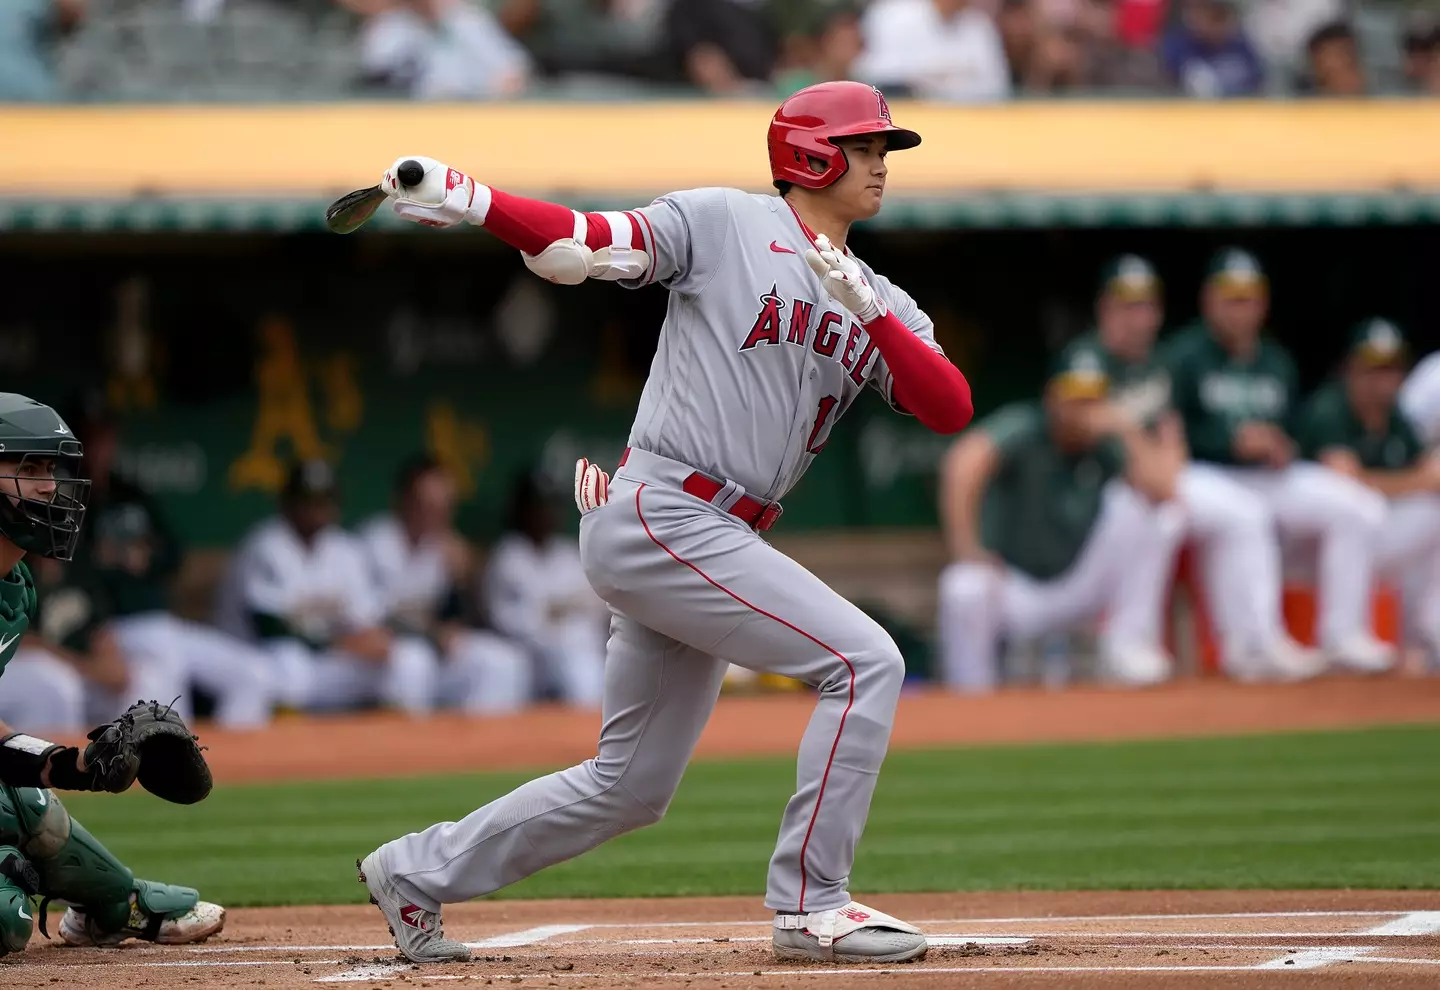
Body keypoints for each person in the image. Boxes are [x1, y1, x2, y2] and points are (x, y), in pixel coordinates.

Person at [356, 81, 974, 965]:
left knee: (629, 787)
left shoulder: (878, 295)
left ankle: (414, 872)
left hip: (720, 535)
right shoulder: (723, 222)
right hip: (668, 510)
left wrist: (868, 309)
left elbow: (947, 406)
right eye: (866, 146)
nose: (881, 164)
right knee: (865, 661)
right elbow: (586, 245)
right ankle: (811, 903)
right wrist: (477, 201)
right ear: (812, 155)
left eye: (884, 149)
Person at [0, 392, 224, 957]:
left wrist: (80, 765)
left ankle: (115, 902)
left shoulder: (16, 586)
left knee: (24, 803)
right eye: (27, 468)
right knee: (5, 917)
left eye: (51, 468)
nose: (50, 486)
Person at [1064, 255, 1321, 682]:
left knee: (1243, 513)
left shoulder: (1158, 364)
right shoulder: (1087, 359)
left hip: (1154, 481)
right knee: (1155, 514)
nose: (1139, 318)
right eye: (1128, 306)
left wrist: (1162, 467)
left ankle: (1252, 643)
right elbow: (1089, 427)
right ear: (1105, 309)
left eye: (1146, 306)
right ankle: (1127, 643)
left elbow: (1171, 434)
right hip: (1093, 493)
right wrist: (1145, 456)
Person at [1158, 248, 1393, 672]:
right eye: (1230, 297)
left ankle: (1343, 635)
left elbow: (1293, 430)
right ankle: (1255, 644)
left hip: (1264, 473)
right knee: (1247, 516)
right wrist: (1230, 442)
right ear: (1209, 300)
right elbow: (1170, 430)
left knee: (1358, 507)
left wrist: (1281, 445)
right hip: (1202, 472)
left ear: (1262, 302)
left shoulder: (1276, 360)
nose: (1240, 307)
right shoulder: (1184, 356)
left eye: (1248, 297)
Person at [935, 349, 1182, 690]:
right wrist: (967, 546)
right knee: (963, 585)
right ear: (1052, 397)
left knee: (1152, 514)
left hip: (1080, 585)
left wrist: (1125, 428)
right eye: (1075, 398)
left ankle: (1129, 645)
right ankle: (972, 694)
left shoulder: (1107, 440)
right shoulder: (1028, 426)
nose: (1084, 409)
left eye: (1093, 399)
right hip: (1017, 586)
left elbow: (1165, 491)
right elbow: (964, 461)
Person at [65, 394, 273, 729]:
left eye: (104, 436)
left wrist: (144, 557)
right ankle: (186, 766)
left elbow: (174, 555)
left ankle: (235, 769)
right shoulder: (62, 498)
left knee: (254, 673)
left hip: (160, 623)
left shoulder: (130, 492)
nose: (98, 447)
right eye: (89, 438)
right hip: (114, 627)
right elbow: (68, 574)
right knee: (164, 667)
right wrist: (114, 560)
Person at [214, 459, 440, 716]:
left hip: (324, 662)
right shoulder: (265, 546)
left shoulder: (344, 550)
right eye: (308, 500)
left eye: (324, 500)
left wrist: (375, 638)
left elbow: (366, 617)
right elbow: (270, 629)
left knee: (411, 658)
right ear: (287, 503)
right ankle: (283, 746)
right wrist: (343, 644)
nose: (316, 509)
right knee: (290, 661)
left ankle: (403, 748)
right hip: (258, 660)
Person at [1295, 319, 1440, 664]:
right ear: (1352, 370)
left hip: (1363, 539)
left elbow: (1426, 473)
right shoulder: (1329, 409)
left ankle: (1426, 634)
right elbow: (1345, 482)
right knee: (1357, 507)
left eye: (1389, 369)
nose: (1382, 380)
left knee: (1433, 512)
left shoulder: (1396, 418)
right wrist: (1416, 482)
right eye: (1372, 369)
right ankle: (1341, 637)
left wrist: (1420, 481)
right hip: (1304, 545)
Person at [357, 456, 532, 716]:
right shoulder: (375, 543)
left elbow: (466, 618)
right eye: (428, 503)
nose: (437, 513)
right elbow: (372, 621)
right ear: (404, 501)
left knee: (504, 662)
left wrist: (464, 579)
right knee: (413, 661)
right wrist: (434, 633)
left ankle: (479, 751)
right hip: (386, 657)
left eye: (443, 504)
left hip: (433, 651)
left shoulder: (444, 548)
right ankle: (407, 751)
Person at [481, 470, 608, 708]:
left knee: (586, 667)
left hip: (578, 653)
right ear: (524, 509)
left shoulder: (569, 553)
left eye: (552, 504)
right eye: (540, 505)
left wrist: (557, 613)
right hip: (528, 658)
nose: (548, 513)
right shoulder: (508, 556)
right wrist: (556, 615)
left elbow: (596, 609)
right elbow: (508, 621)